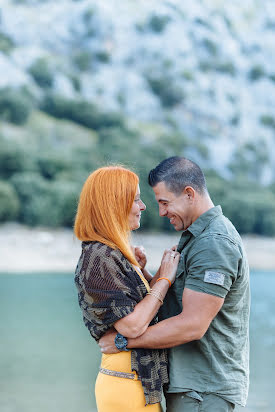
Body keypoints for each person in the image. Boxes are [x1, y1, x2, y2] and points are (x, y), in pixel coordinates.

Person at [99, 157, 250, 412]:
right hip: (193, 388)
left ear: (189, 194)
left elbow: (192, 325)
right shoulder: (197, 237)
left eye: (164, 203)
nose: (160, 212)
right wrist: (145, 274)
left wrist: (123, 341)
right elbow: (178, 301)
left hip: (203, 390)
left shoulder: (214, 243)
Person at [74, 165, 180, 411]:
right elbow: (131, 325)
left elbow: (144, 310)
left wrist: (143, 274)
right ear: (114, 204)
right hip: (126, 386)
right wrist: (164, 279)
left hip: (135, 384)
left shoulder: (112, 254)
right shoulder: (99, 255)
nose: (143, 207)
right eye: (136, 200)